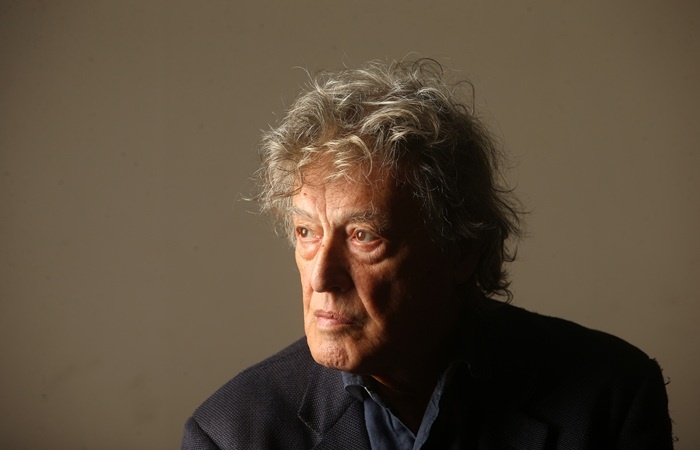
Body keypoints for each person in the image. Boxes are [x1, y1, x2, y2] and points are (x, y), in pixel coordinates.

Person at [181, 58, 673, 449]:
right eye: (306, 232)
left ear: (461, 250)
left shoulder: (612, 398)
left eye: (363, 236)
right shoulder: (230, 434)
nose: (321, 277)